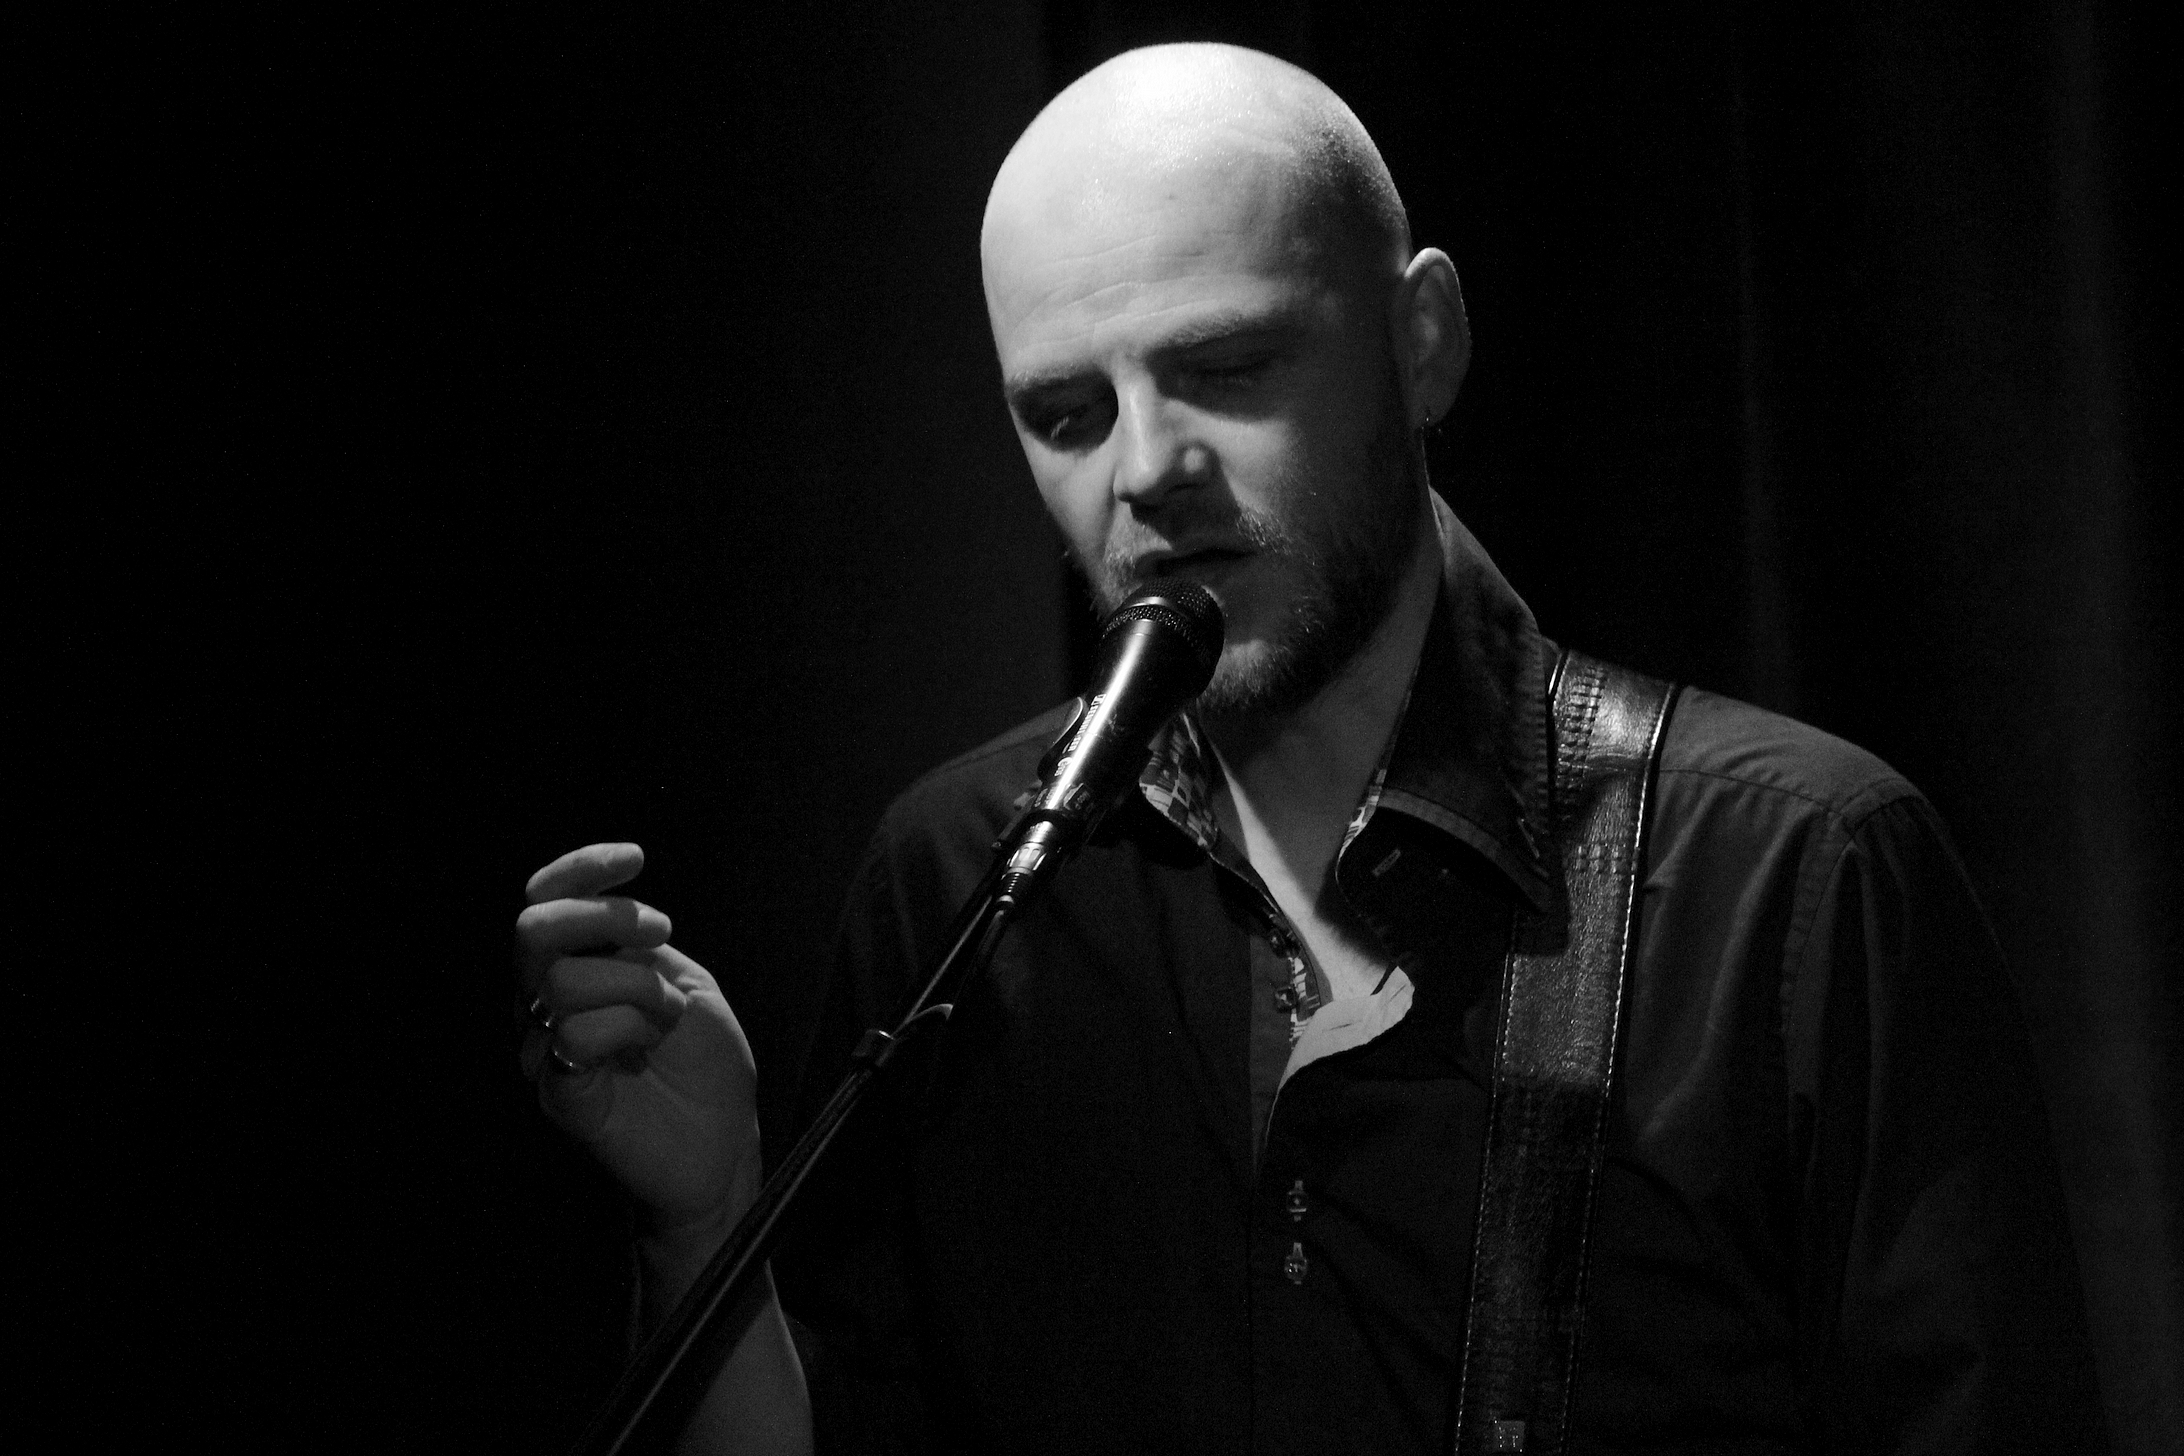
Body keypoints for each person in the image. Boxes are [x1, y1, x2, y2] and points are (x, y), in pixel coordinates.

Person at [514, 44, 2105, 1455]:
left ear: (1424, 340)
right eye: (1065, 413)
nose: (1146, 469)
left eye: (1224, 370)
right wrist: (703, 1226)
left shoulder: (1798, 875)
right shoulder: (958, 880)